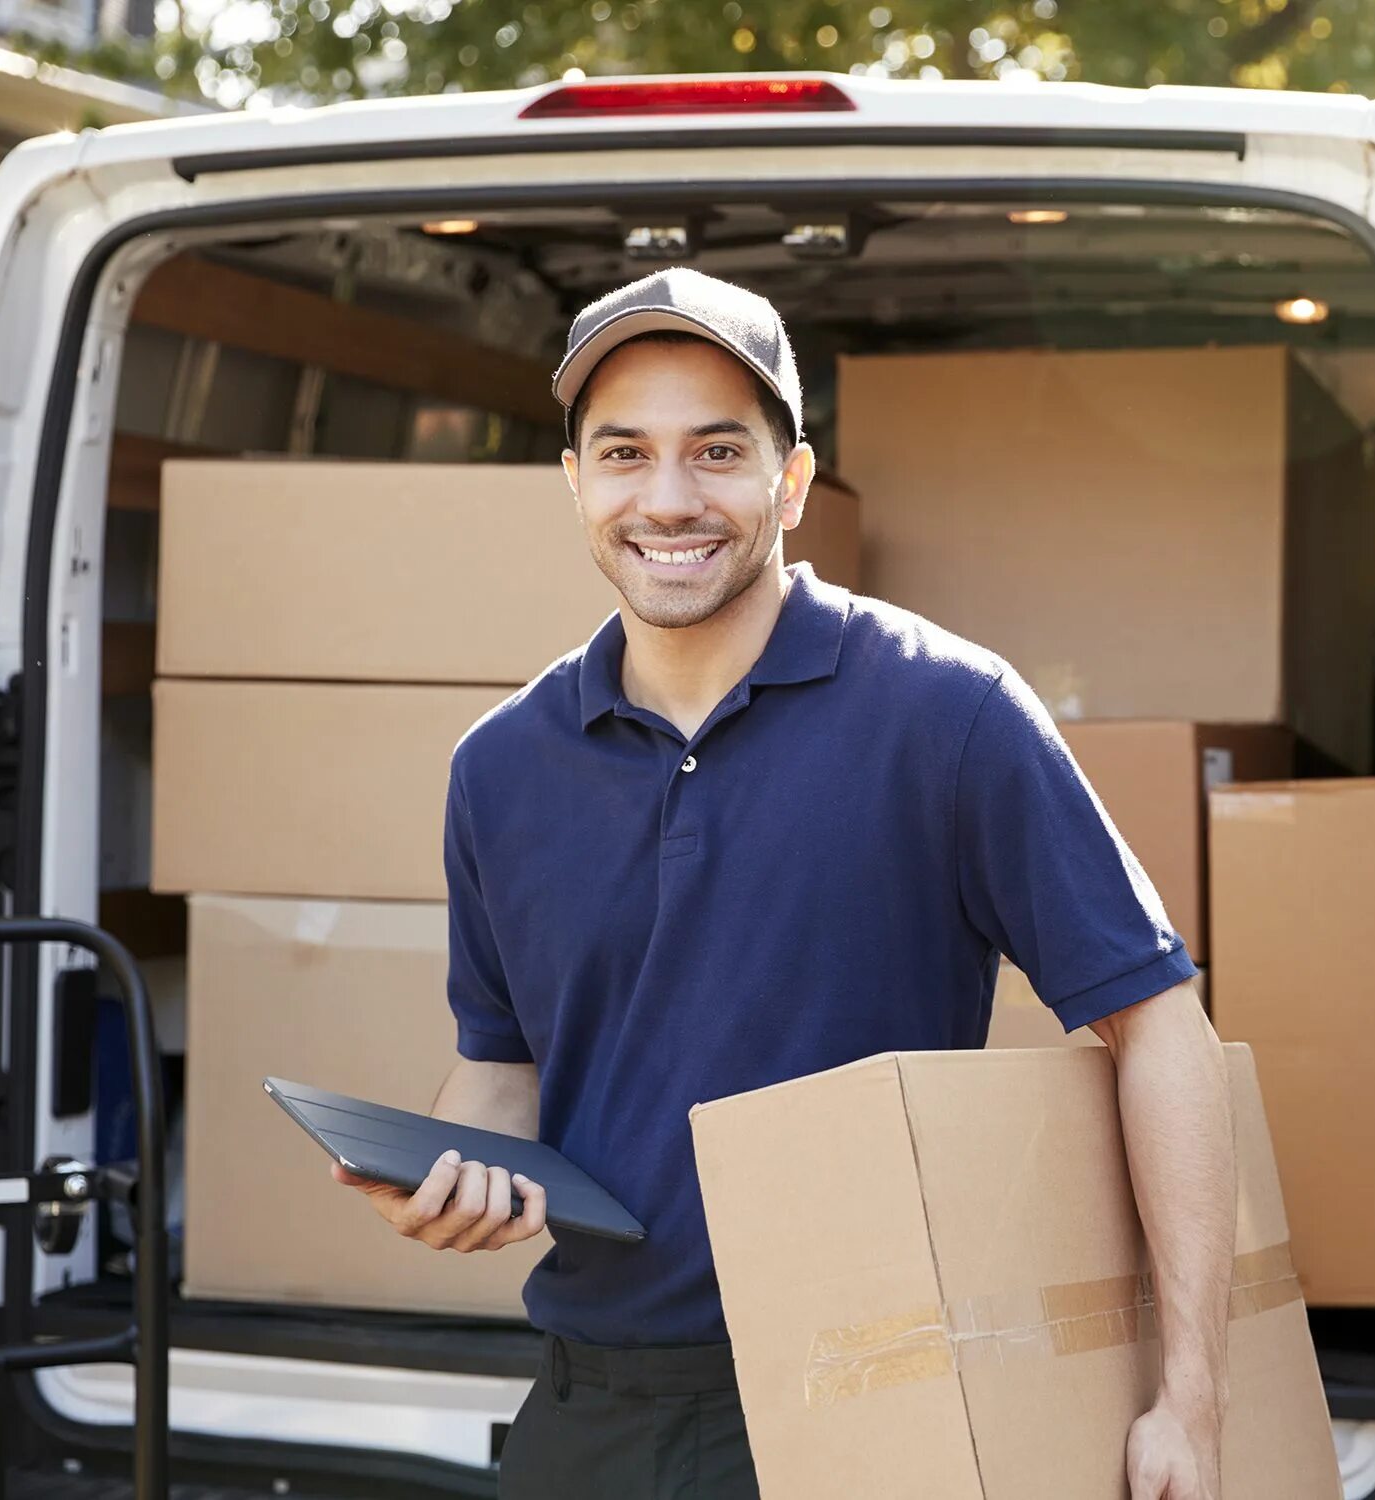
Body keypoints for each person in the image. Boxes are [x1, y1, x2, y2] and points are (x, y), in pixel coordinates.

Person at [333, 267, 1237, 1500]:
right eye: (623, 453)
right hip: (592, 1407)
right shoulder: (499, 769)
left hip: (875, 1398)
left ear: (792, 483)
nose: (666, 498)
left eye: (716, 451)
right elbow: (504, 1067)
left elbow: (1158, 1026)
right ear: (574, 484)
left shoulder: (947, 714)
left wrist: (1189, 1398)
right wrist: (449, 1180)